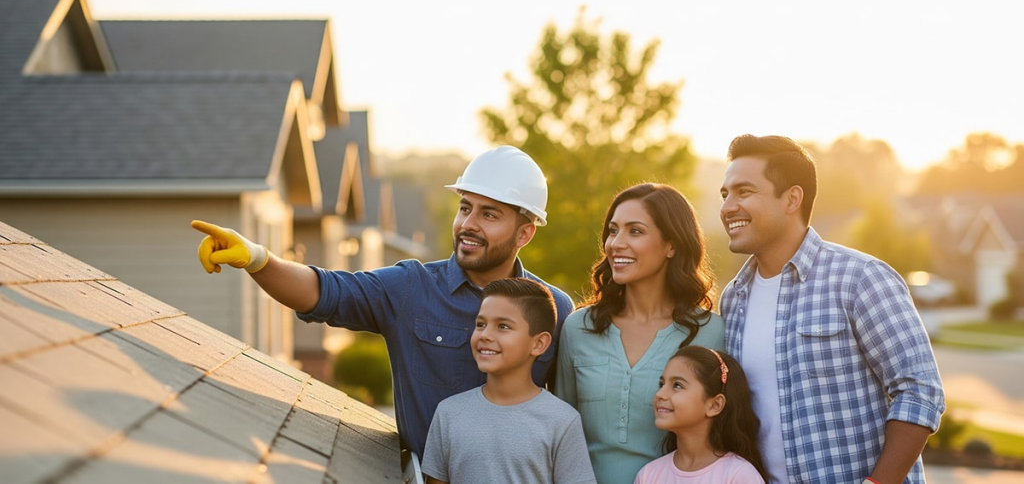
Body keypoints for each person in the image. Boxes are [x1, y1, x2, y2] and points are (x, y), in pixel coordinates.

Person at [190, 145, 574, 459]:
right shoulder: (412, 288)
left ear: (524, 233)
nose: (468, 224)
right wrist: (259, 259)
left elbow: (567, 414)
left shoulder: (555, 310)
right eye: (464, 208)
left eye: (489, 214)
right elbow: (325, 291)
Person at [718, 134, 946, 484]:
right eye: (725, 194)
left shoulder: (861, 278)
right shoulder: (733, 300)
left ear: (792, 198)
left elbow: (919, 391)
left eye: (744, 192)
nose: (728, 207)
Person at [555, 182, 725, 484]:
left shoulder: (712, 333)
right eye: (613, 230)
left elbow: (722, 437)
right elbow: (561, 433)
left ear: (671, 244)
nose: (616, 243)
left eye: (635, 231)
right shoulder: (578, 327)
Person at [421, 278, 597, 484]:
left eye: (503, 326)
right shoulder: (448, 413)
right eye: (480, 324)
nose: (485, 334)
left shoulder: (562, 421)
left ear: (539, 343)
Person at [634, 345, 767, 483]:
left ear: (715, 405)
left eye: (677, 385)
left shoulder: (739, 475)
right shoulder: (648, 475)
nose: (660, 394)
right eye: (661, 384)